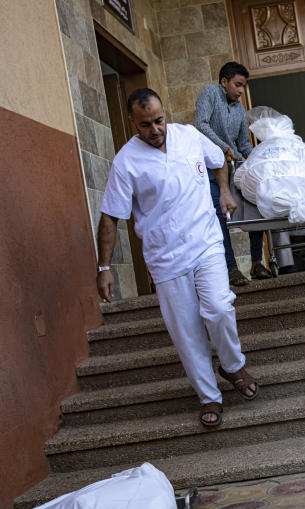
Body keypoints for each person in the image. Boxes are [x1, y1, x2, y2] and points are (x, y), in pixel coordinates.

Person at [97, 88, 259, 428]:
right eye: (145, 125)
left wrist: (226, 191)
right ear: (132, 122)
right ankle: (208, 396)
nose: (155, 130)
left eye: (159, 120)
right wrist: (104, 267)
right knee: (186, 331)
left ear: (165, 113)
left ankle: (232, 365)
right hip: (165, 256)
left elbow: (219, 161)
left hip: (206, 242)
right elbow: (110, 216)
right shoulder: (126, 161)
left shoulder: (189, 136)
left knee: (218, 307)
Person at [194, 61, 275, 284]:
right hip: (210, 170)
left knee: (255, 207)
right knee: (220, 216)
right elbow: (199, 125)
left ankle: (257, 263)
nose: (241, 91)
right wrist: (223, 147)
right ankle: (230, 268)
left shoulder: (239, 108)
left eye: (243, 86)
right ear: (224, 82)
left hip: (234, 168)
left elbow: (243, 144)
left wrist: (263, 154)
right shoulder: (210, 93)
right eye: (238, 85)